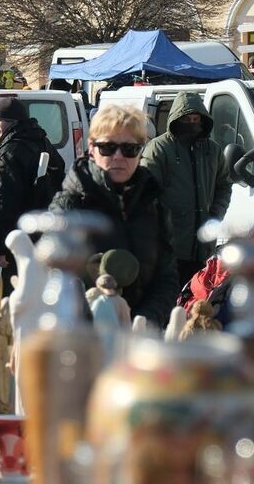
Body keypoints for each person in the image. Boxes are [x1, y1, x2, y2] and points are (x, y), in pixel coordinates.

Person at [49, 105, 179, 327]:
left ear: (140, 151)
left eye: (129, 149)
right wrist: (100, 319)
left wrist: (143, 321)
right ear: (91, 148)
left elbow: (167, 277)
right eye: (108, 147)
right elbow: (53, 277)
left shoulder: (154, 205)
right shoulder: (69, 205)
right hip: (84, 337)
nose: (118, 156)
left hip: (140, 338)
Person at [140, 91, 231, 283]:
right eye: (187, 118)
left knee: (198, 301)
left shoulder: (212, 150)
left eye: (196, 118)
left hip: (203, 244)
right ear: (177, 118)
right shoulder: (159, 148)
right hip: (170, 244)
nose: (192, 123)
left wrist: (215, 215)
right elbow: (145, 191)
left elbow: (223, 185)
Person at [0, 95, 65, 277]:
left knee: (16, 298)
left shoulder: (10, 151)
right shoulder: (43, 142)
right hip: (45, 232)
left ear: (11, 122)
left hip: (18, 240)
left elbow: (2, 199)